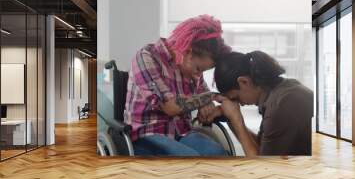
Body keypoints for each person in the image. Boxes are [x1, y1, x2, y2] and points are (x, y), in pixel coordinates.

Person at [124, 15, 231, 156]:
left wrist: (207, 105)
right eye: (199, 69)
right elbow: (171, 107)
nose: (198, 75)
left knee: (218, 154)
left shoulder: (191, 69)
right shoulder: (147, 57)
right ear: (188, 52)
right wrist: (211, 96)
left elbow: (203, 96)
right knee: (191, 160)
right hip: (147, 135)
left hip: (182, 133)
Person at [212, 51, 313, 156]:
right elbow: (262, 147)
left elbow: (263, 166)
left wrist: (237, 119)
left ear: (244, 82)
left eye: (236, 98)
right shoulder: (280, 92)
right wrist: (230, 119)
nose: (239, 104)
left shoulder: (282, 106)